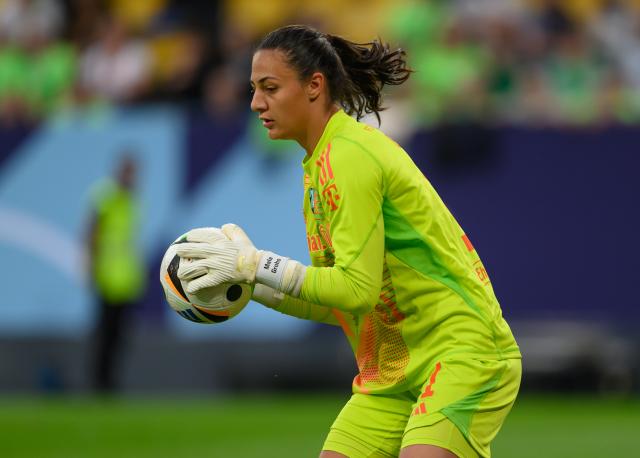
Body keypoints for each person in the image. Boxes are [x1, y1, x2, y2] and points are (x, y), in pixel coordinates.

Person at [174, 25, 521, 458]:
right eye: (253, 89)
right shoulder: (318, 166)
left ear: (314, 86)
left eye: (270, 87)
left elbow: (356, 291)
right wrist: (255, 287)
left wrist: (257, 264)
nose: (255, 103)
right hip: (393, 369)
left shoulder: (349, 156)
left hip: (461, 353)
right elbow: (340, 299)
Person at [87, 155, 146, 393]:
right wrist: (92, 267)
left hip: (126, 277)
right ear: (119, 172)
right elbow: (92, 232)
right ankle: (99, 382)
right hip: (107, 275)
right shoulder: (105, 197)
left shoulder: (132, 200)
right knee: (105, 333)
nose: (132, 178)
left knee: (120, 335)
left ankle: (110, 381)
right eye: (129, 172)